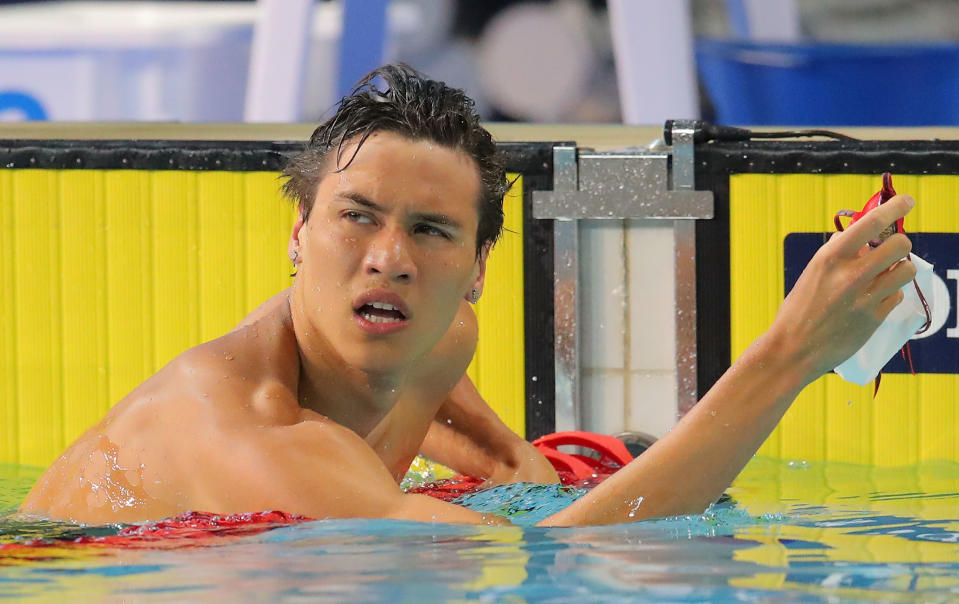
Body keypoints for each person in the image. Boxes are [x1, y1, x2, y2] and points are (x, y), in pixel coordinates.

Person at [20, 65, 918, 527]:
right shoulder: (256, 445)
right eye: (356, 218)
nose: (389, 259)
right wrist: (787, 356)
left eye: (432, 231)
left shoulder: (438, 343)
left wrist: (513, 467)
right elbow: (562, 558)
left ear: (476, 268)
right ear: (296, 235)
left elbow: (507, 476)